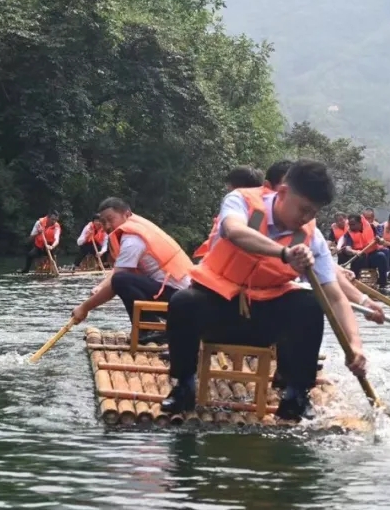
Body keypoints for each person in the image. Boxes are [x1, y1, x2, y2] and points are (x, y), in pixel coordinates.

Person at [161, 159, 372, 421]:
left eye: (313, 212)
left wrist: (355, 345)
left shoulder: (312, 237)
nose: (306, 218)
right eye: (303, 209)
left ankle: (296, 394)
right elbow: (235, 231)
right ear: (282, 192)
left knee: (309, 303)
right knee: (183, 302)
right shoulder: (241, 201)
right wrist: (284, 253)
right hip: (218, 308)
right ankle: (184, 386)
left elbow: (335, 296)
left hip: (264, 322)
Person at [71, 198, 193, 343]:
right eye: (103, 222)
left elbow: (118, 280)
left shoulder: (132, 239)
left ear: (126, 214)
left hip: (180, 303)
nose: (107, 225)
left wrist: (84, 308)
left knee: (121, 281)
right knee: (121, 279)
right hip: (180, 297)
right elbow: (119, 269)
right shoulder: (133, 230)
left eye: (111, 219)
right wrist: (101, 286)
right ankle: (147, 328)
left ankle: (151, 329)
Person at [193, 166, 265, 261]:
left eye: (229, 185)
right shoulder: (261, 211)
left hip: (219, 264)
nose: (227, 188)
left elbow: (233, 232)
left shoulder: (235, 202)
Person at [337, 214, 390, 290]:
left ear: (360, 223)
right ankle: (355, 284)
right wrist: (354, 252)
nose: (351, 227)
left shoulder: (372, 227)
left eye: (353, 225)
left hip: (372, 256)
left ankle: (383, 283)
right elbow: (347, 248)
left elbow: (381, 239)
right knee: (357, 259)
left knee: (381, 256)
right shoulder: (349, 233)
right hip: (359, 258)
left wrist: (380, 239)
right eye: (350, 225)